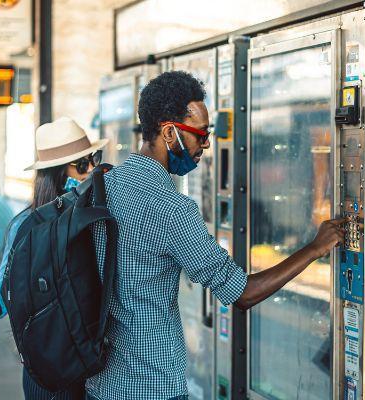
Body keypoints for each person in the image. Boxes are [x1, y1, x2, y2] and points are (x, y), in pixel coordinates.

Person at [84, 71, 346, 400]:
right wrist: (314, 248)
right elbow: (243, 293)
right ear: (169, 132)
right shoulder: (172, 209)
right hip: (151, 385)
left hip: (101, 383)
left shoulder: (104, 186)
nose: (207, 144)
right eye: (200, 135)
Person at [0, 117, 108, 399]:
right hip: (52, 365)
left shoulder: (100, 216)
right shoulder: (26, 226)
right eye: (83, 165)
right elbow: (3, 287)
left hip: (99, 364)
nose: (93, 171)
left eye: (94, 159)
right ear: (59, 175)